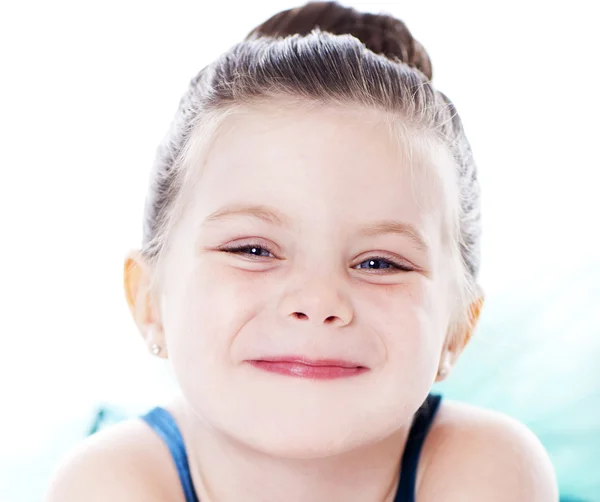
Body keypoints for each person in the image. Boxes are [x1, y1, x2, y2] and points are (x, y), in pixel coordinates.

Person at [44, 2, 558, 500]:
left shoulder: (490, 465)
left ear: (457, 330)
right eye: (252, 249)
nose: (318, 300)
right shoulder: (107, 483)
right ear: (147, 301)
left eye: (380, 262)